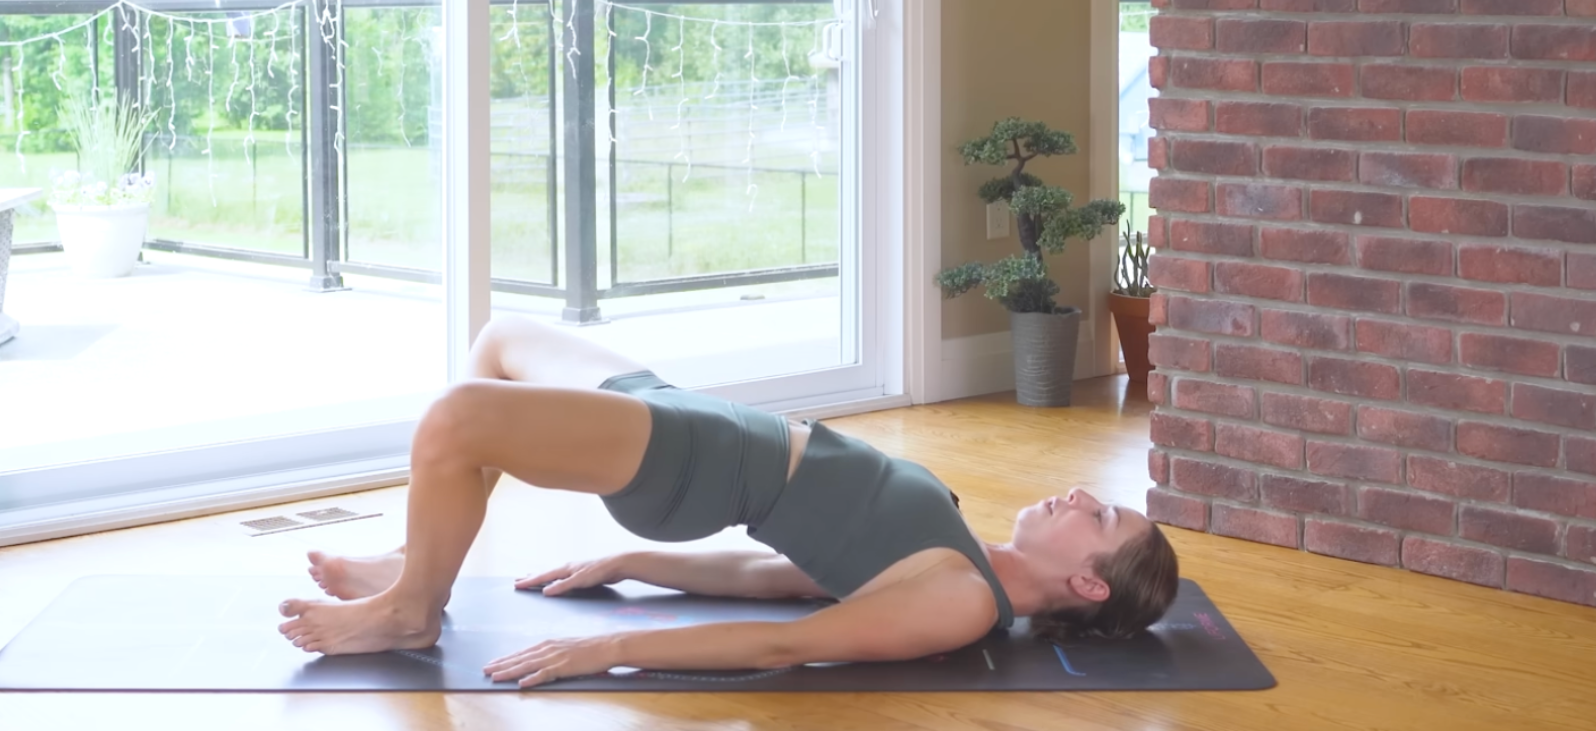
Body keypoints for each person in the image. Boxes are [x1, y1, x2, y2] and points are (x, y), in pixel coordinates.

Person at [278, 316, 1179, 687]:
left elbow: (787, 644)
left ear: (1091, 586)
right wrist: (637, 565)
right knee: (504, 339)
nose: (1076, 496)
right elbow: (784, 579)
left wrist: (614, 649)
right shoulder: (965, 560)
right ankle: (421, 559)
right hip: (696, 421)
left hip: (694, 467)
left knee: (457, 419)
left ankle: (410, 610)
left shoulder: (959, 601)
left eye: (1097, 518)